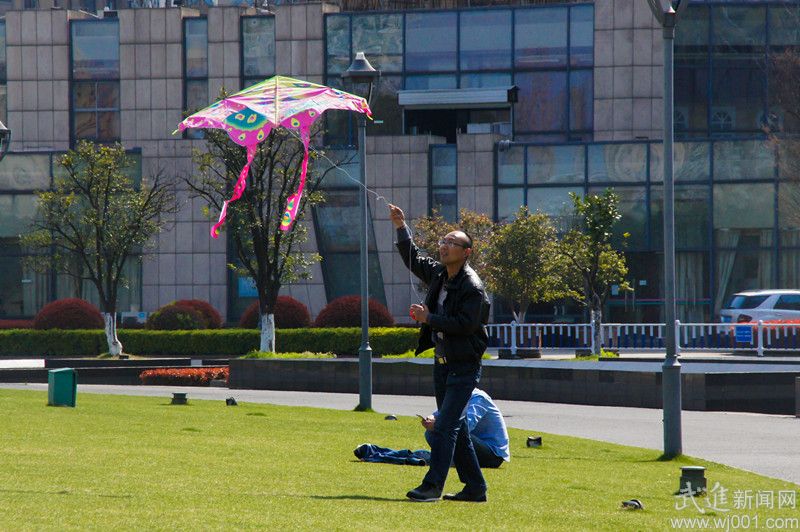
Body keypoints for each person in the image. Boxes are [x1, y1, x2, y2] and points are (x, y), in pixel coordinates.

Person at [389, 203, 491, 503]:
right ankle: (475, 488)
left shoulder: (473, 287)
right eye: (443, 241)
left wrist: (429, 318)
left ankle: (432, 486)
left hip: (463, 366)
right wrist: (401, 227)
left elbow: (465, 324)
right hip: (443, 364)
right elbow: (413, 258)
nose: (444, 246)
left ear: (466, 252)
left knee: (444, 427)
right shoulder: (440, 274)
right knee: (456, 429)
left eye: (452, 243)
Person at [421, 388, 510, 470]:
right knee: (431, 432)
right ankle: (447, 459)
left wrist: (438, 425)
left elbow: (468, 425)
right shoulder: (457, 397)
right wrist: (431, 418)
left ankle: (448, 460)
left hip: (492, 455)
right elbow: (440, 413)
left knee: (452, 432)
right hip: (474, 445)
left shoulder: (479, 398)